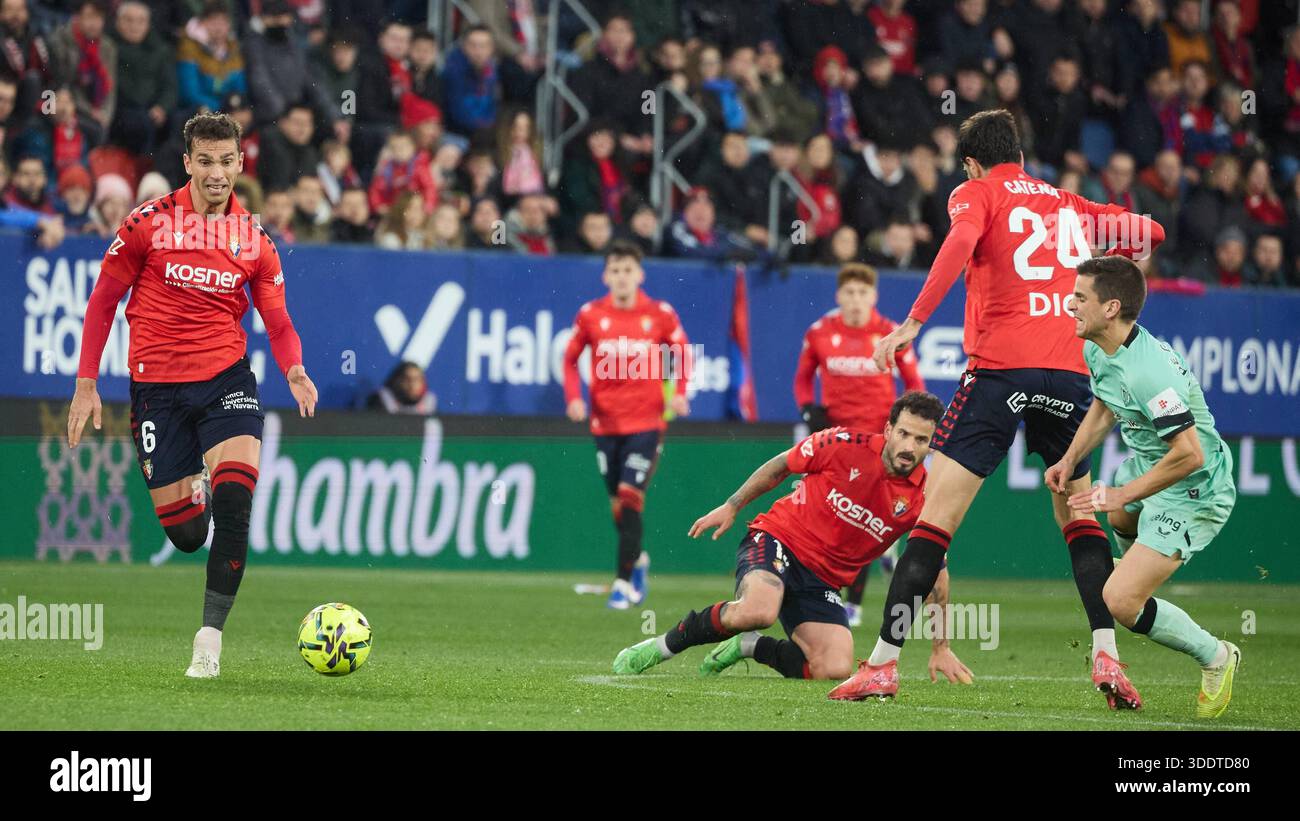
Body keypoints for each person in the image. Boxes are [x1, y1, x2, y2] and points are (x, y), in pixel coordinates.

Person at [831, 109, 1165, 707]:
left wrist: (912, 322)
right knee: (1078, 518)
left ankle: (882, 664)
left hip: (1000, 369)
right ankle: (1106, 653)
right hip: (1069, 374)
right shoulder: (1069, 202)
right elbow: (1153, 234)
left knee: (935, 521)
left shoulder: (976, 192)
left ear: (971, 161)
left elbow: (960, 241)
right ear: (1019, 150)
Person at [67, 112, 318, 679]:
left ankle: (209, 641)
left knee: (235, 505)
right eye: (205, 160)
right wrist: (87, 383)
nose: (216, 173)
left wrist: (294, 368)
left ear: (239, 163)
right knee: (186, 534)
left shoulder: (254, 239)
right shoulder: (146, 224)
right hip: (156, 390)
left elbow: (277, 322)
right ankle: (192, 490)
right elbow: (103, 301)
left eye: (227, 161)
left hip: (227, 382)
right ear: (187, 162)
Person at [612, 392, 971, 685]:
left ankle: (750, 647)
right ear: (889, 428)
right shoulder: (843, 444)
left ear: (932, 444)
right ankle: (659, 647)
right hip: (778, 539)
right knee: (758, 610)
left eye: (921, 439)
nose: (909, 446)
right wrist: (732, 505)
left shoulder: (925, 498)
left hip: (823, 581)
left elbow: (933, 573)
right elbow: (783, 464)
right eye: (904, 433)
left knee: (834, 667)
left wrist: (940, 646)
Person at [1045, 255, 1240, 719]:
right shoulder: (1098, 348)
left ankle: (1216, 655)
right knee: (1116, 517)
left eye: (1080, 298)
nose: (1070, 304)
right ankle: (1137, 562)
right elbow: (1105, 406)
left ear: (1111, 308)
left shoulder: (1150, 372)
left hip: (1195, 487)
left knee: (1119, 601)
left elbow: (1189, 453)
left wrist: (1124, 492)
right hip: (1151, 465)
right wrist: (1070, 457)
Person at [562, 240, 692, 610]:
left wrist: (679, 392)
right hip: (604, 423)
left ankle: (622, 584)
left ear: (640, 274)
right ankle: (638, 561)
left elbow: (681, 353)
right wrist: (574, 397)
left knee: (631, 496)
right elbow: (569, 360)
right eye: (615, 270)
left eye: (628, 270)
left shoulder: (659, 314)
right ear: (606, 275)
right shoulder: (590, 314)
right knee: (618, 502)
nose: (622, 277)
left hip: (647, 422)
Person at [794, 262, 925, 626]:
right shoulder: (819, 333)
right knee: (836, 515)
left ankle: (853, 603)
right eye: (849, 293)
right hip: (836, 441)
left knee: (861, 513)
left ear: (874, 296)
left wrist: (909, 432)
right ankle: (844, 582)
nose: (855, 300)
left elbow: (914, 382)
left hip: (879, 441)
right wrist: (808, 410)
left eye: (862, 293)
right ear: (839, 296)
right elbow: (803, 379)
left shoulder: (888, 334)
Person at [367, 361, 436, 414]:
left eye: (417, 379)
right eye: (407, 379)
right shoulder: (381, 400)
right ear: (396, 381)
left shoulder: (429, 403)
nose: (412, 384)